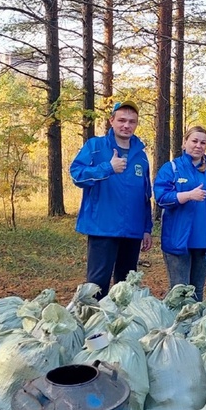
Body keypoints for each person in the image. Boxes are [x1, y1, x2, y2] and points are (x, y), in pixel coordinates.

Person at [69, 100, 153, 299]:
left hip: (132, 230)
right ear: (111, 121)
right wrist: (108, 168)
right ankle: (94, 326)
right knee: (97, 284)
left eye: (132, 121)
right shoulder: (96, 147)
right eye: (122, 120)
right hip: (103, 226)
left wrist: (146, 228)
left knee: (125, 285)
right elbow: (77, 175)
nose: (126, 125)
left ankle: (119, 327)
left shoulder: (140, 156)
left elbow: (145, 195)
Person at [153, 125, 206, 300]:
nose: (198, 145)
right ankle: (177, 326)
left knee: (197, 291)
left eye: (203, 142)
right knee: (180, 291)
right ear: (185, 143)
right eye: (194, 141)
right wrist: (187, 195)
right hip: (179, 239)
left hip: (204, 242)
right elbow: (161, 197)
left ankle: (195, 326)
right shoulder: (172, 168)